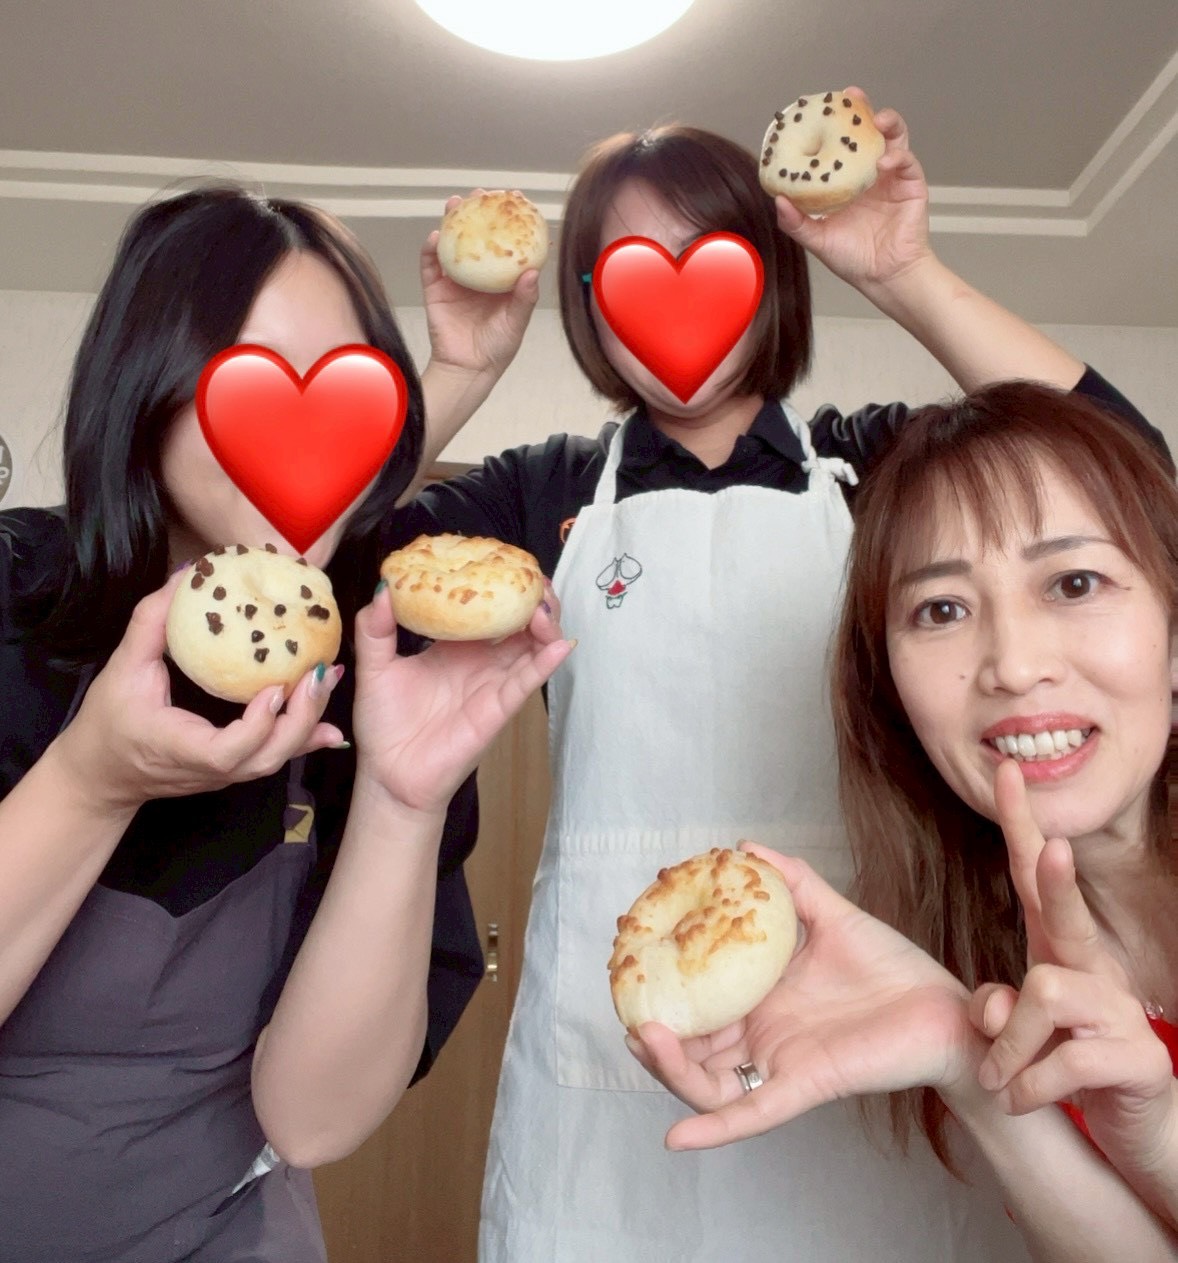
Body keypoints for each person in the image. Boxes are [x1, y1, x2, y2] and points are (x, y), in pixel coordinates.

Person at [394, 93, 1168, 1259]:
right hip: (615, 1054)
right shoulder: (538, 494)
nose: (671, 298)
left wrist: (902, 273)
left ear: (770, 277)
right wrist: (458, 368)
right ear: (587, 307)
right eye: (626, 272)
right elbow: (322, 568)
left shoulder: (872, 466)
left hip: (875, 1012)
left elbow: (1113, 463)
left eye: (707, 256)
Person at [0, 184, 572, 1263]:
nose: (311, 438)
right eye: (254, 382)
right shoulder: (11, 594)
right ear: (144, 389)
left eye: (348, 390)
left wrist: (404, 803)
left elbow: (311, 1121)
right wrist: (92, 779)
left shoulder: (371, 672)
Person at [629, 382, 1178, 1259]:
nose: (1014, 664)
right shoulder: (988, 948)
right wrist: (961, 1055)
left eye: (1074, 582)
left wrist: (1157, 1135)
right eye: (943, 609)